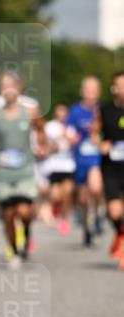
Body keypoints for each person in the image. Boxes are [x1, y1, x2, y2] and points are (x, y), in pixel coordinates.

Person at [0, 72, 46, 268]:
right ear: (0, 90)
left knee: (25, 212)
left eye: (11, 85)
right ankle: (15, 251)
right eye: (3, 85)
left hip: (24, 169)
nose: (8, 89)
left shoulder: (31, 111)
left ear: (19, 87)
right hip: (3, 171)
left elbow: (41, 130)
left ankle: (26, 234)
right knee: (8, 214)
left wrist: (42, 146)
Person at [66, 76, 105, 247]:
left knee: (96, 187)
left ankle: (96, 214)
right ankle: (86, 227)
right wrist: (70, 137)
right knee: (82, 198)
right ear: (82, 92)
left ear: (99, 93)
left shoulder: (103, 110)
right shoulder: (75, 111)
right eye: (88, 91)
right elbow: (67, 129)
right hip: (80, 157)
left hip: (96, 157)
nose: (91, 95)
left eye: (94, 91)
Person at [94, 71, 124, 268]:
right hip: (111, 167)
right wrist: (100, 144)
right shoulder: (104, 110)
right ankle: (120, 234)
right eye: (119, 85)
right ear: (114, 88)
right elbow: (94, 133)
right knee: (114, 213)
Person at [40, 103, 75, 235]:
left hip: (68, 165)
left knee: (68, 191)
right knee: (55, 195)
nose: (62, 115)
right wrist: (53, 146)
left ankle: (64, 218)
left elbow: (76, 143)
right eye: (59, 112)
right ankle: (55, 208)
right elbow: (44, 144)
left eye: (64, 112)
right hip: (54, 166)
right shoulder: (50, 127)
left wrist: (70, 140)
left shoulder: (71, 127)